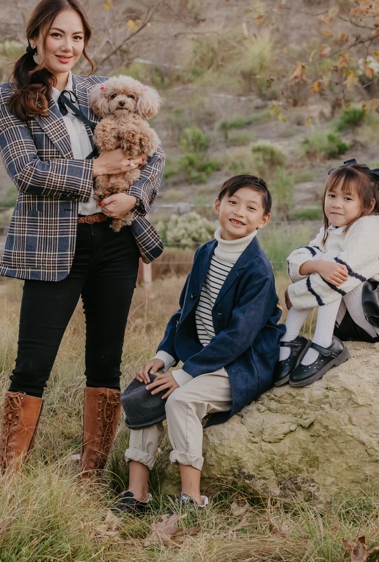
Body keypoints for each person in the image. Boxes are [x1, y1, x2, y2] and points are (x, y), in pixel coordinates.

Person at [0, 0, 165, 479]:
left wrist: (136, 198)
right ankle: (9, 473)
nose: (67, 46)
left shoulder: (101, 91)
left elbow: (155, 158)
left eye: (77, 37)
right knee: (32, 364)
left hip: (115, 243)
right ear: (35, 39)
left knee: (106, 363)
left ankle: (91, 473)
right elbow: (26, 171)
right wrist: (95, 169)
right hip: (52, 246)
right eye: (57, 35)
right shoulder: (8, 100)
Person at [114, 175, 283, 513]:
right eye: (233, 202)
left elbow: (239, 337)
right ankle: (137, 494)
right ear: (218, 204)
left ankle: (191, 499)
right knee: (145, 389)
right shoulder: (206, 252)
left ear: (263, 220)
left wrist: (185, 375)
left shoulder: (258, 269)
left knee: (180, 399)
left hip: (239, 366)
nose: (239, 212)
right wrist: (163, 357)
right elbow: (184, 313)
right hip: (204, 360)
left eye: (251, 208)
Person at [278, 160, 379, 387]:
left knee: (334, 264)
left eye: (347, 198)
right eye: (331, 195)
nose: (336, 204)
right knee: (325, 261)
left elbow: (342, 276)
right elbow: (296, 260)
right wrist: (315, 266)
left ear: (368, 205)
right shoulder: (331, 230)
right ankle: (289, 339)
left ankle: (324, 344)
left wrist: (294, 295)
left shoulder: (369, 230)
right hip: (360, 322)